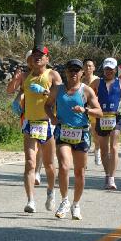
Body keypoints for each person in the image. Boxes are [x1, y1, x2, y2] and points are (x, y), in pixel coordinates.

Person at [44, 59, 103, 220]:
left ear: (82, 73)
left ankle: (76, 204)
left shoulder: (87, 91)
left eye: (77, 70)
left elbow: (99, 112)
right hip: (63, 132)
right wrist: (53, 118)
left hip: (82, 133)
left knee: (79, 173)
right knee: (63, 166)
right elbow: (47, 105)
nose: (74, 73)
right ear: (66, 72)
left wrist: (85, 109)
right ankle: (64, 200)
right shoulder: (57, 89)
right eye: (71, 70)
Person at [14, 46, 62, 212]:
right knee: (29, 162)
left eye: (41, 56)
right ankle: (31, 200)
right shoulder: (26, 76)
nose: (37, 58)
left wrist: (45, 92)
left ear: (47, 59)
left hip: (46, 124)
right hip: (30, 123)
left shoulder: (52, 75)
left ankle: (50, 192)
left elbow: (62, 97)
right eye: (34, 56)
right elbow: (17, 91)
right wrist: (17, 99)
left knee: (49, 164)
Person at [96, 57, 121, 190]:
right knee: (104, 149)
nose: (108, 71)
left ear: (116, 69)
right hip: (102, 117)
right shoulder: (97, 83)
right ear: (103, 69)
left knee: (114, 147)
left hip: (116, 117)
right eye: (106, 69)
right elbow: (88, 96)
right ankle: (107, 174)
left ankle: (112, 178)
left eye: (111, 69)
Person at [82, 59, 101, 166]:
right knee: (84, 134)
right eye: (86, 66)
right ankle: (83, 156)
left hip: (93, 110)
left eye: (90, 66)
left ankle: (97, 151)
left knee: (95, 134)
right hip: (83, 111)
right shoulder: (81, 80)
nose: (88, 68)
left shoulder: (97, 80)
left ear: (94, 68)